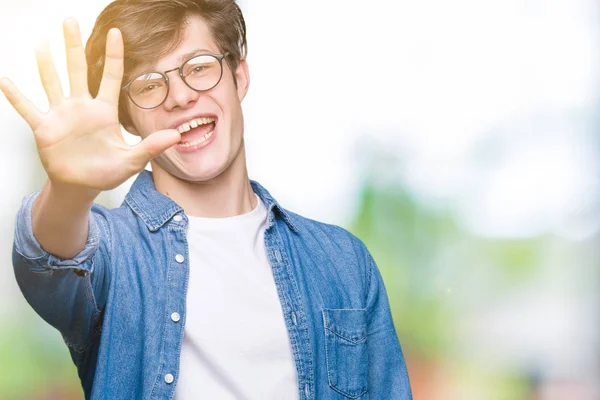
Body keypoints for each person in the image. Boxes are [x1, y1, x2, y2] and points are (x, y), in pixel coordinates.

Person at [1, 0, 412, 399]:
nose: (179, 96)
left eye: (199, 68)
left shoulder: (342, 262)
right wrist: (70, 189)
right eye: (149, 85)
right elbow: (47, 256)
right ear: (127, 118)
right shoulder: (113, 254)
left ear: (240, 77)